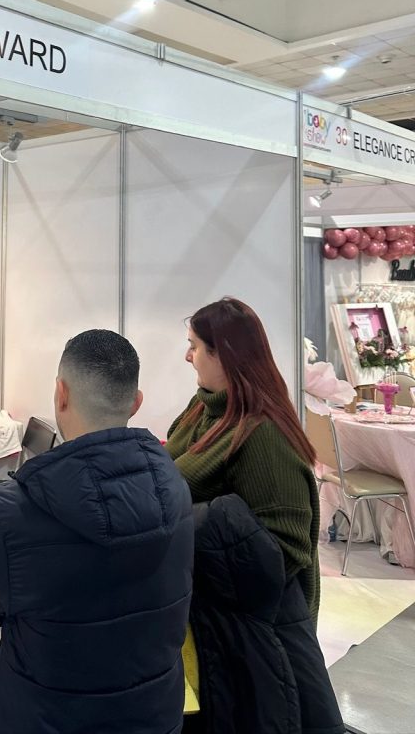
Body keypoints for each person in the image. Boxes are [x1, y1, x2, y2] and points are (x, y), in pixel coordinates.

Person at [0, 329, 194, 734]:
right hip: (153, 714)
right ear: (136, 403)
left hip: (45, 718)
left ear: (61, 394)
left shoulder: (12, 511)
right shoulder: (175, 490)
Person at [166, 297, 344, 734]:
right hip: (211, 622)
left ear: (222, 354)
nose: (187, 356)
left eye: (194, 347)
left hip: (253, 635)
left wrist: (200, 528)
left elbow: (285, 552)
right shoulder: (204, 408)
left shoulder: (262, 435)